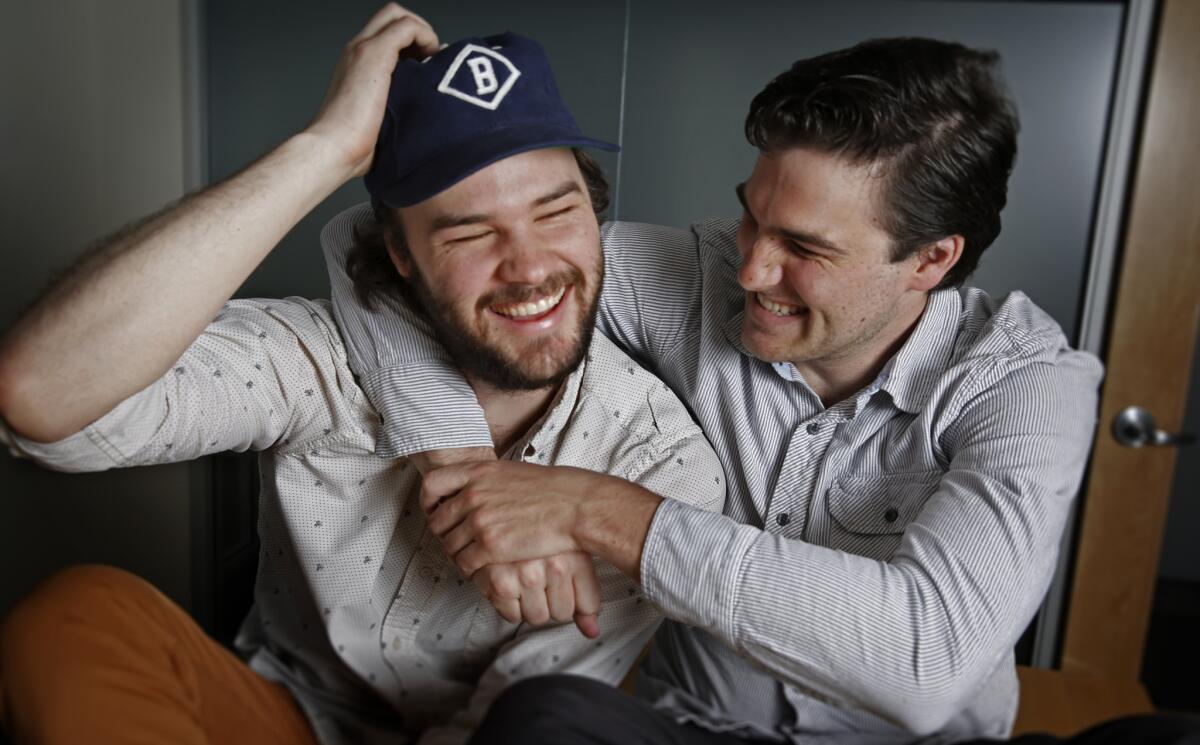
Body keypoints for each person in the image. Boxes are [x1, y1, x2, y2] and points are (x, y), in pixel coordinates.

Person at [321, 24, 1200, 745]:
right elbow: (378, 243)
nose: (749, 269)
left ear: (931, 260)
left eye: (806, 251)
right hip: (693, 731)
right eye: (751, 214)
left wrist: (593, 509)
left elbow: (928, 663)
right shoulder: (687, 277)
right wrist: (469, 469)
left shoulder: (1026, 382)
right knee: (542, 721)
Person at [0, 8, 723, 745]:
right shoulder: (320, 361)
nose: (530, 265)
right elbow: (43, 397)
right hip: (290, 717)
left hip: (497, 736)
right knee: (76, 618)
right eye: (470, 230)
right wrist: (325, 151)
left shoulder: (659, 461)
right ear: (401, 256)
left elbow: (531, 718)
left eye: (555, 210)